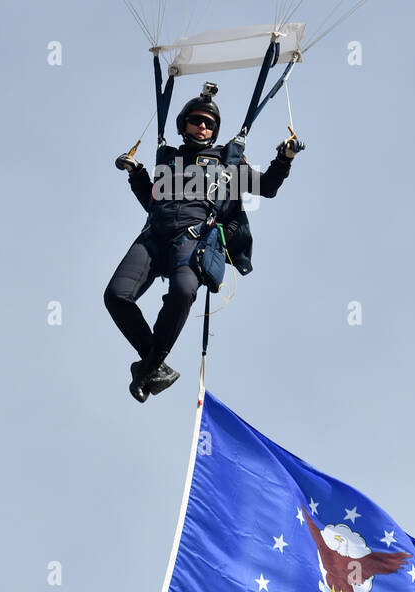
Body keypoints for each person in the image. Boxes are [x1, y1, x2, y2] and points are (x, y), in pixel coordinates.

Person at [104, 87, 302, 402]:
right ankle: (155, 364)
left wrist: (285, 158)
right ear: (184, 124)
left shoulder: (228, 163)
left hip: (191, 239)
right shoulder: (169, 159)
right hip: (154, 235)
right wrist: (137, 174)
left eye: (209, 123)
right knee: (116, 296)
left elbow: (267, 186)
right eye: (196, 120)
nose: (203, 127)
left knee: (183, 292)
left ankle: (150, 367)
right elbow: (154, 202)